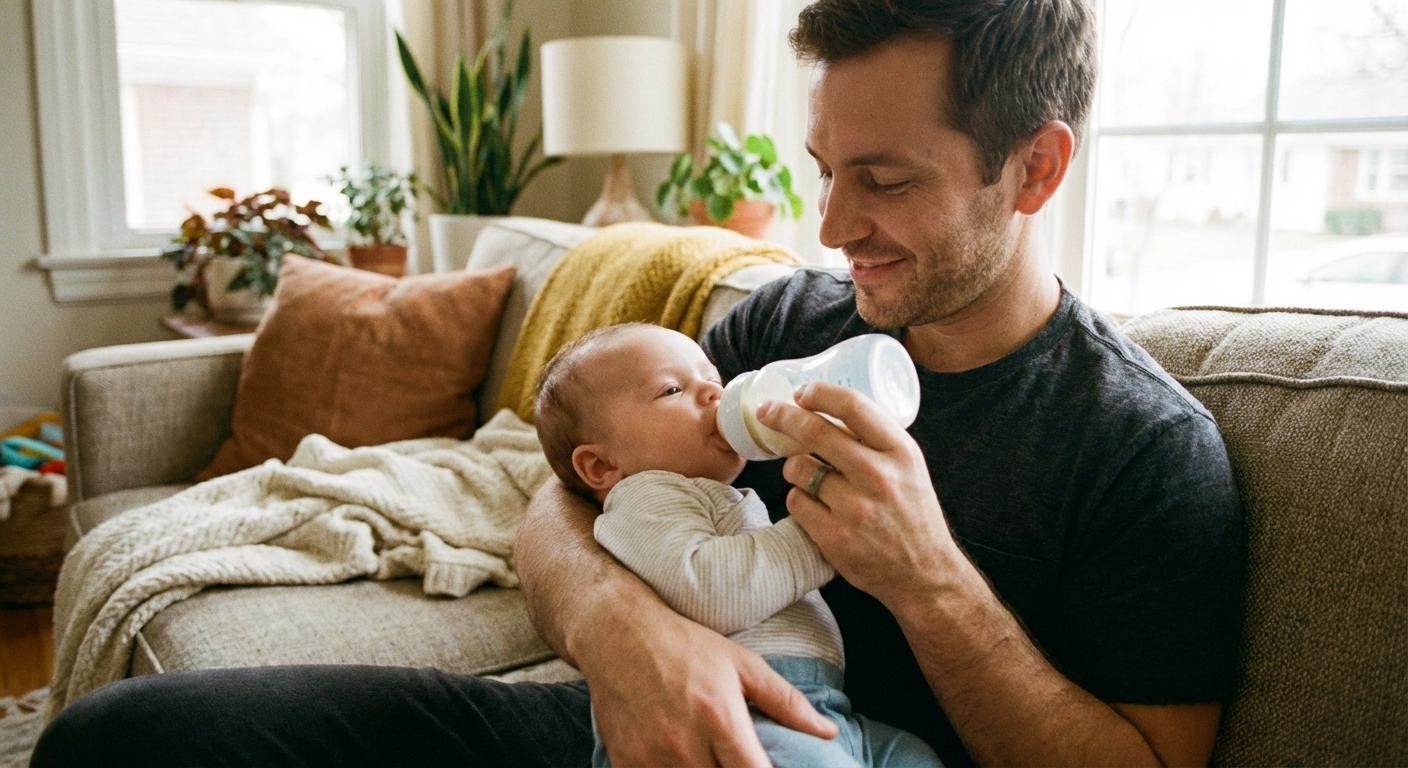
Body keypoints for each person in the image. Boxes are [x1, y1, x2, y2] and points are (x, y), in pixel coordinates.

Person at [33, 2, 1243, 766]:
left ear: (1033, 170)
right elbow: (562, 489)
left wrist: (928, 583)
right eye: (822, 169)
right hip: (619, 722)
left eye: (883, 178)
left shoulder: (1143, 449)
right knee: (125, 742)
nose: (832, 225)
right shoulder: (792, 317)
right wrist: (630, 640)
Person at [533, 322, 942, 768]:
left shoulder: (711, 492)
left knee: (912, 756)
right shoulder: (645, 495)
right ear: (600, 465)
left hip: (820, 708)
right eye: (672, 390)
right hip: (740, 713)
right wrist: (820, 537)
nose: (713, 394)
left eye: (713, 378)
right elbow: (707, 587)